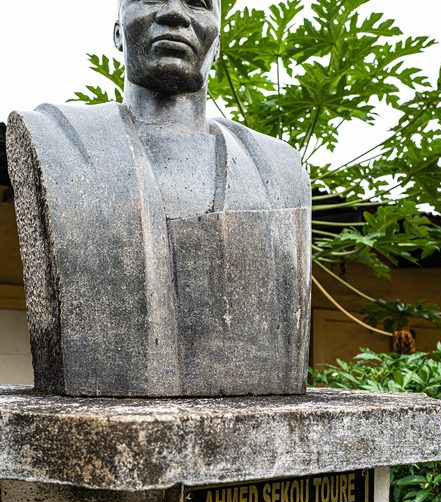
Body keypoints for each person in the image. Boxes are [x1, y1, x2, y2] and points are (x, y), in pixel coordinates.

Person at [6, 0, 311, 397]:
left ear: (216, 45)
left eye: (198, 4)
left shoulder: (279, 169)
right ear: (117, 33)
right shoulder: (58, 141)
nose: (175, 14)